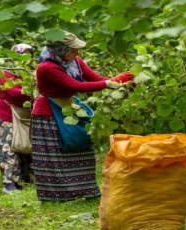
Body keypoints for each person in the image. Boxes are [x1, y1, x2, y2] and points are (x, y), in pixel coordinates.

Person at [31, 31, 134, 201]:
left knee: (80, 146)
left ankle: (85, 191)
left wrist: (120, 83)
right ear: (60, 49)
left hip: (70, 108)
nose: (77, 53)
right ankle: (58, 196)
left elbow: (96, 79)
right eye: (73, 49)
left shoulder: (74, 61)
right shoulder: (46, 67)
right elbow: (77, 85)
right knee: (57, 154)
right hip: (49, 113)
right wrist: (111, 83)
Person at [0, 44, 34, 194]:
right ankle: (8, 184)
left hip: (23, 115)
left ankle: (26, 178)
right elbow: (13, 92)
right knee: (8, 147)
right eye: (22, 55)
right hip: (4, 115)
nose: (25, 59)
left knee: (25, 145)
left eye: (28, 55)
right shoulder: (3, 73)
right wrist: (31, 89)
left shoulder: (29, 74)